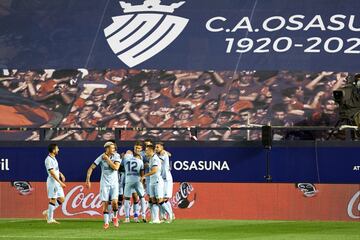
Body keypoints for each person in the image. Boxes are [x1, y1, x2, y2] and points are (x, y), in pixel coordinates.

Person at [85, 142, 121, 229]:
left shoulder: (117, 156)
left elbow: (116, 167)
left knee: (114, 203)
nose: (114, 149)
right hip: (104, 183)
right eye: (112, 148)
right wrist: (88, 179)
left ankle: (115, 217)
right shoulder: (101, 157)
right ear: (107, 149)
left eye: (114, 148)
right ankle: (106, 222)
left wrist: (107, 159)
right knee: (105, 203)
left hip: (114, 183)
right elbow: (91, 168)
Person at [141, 144, 173, 223]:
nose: (146, 151)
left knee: (160, 200)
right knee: (153, 200)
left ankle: (170, 215)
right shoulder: (151, 158)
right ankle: (156, 219)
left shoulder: (155, 158)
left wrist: (144, 176)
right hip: (152, 181)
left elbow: (154, 170)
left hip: (157, 181)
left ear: (151, 150)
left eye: (147, 150)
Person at [42, 143, 66, 224]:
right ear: (53, 150)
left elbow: (55, 170)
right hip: (53, 182)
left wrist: (60, 174)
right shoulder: (48, 160)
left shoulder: (54, 158)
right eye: (57, 148)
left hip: (57, 181)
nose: (58, 150)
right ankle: (50, 219)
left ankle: (48, 211)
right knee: (53, 198)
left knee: (62, 199)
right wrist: (60, 182)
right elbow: (52, 172)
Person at [122, 151, 147, 223]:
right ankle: (143, 215)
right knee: (142, 197)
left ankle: (127, 218)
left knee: (127, 199)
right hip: (137, 180)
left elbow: (121, 166)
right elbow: (142, 174)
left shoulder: (126, 160)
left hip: (128, 180)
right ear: (138, 157)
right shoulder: (140, 161)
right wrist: (143, 183)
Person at [155, 142, 174, 222]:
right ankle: (163, 216)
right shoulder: (160, 153)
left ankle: (171, 214)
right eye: (155, 147)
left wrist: (153, 156)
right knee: (160, 198)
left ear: (162, 148)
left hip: (167, 179)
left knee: (165, 199)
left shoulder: (163, 153)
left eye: (157, 147)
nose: (156, 148)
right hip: (161, 179)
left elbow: (160, 161)